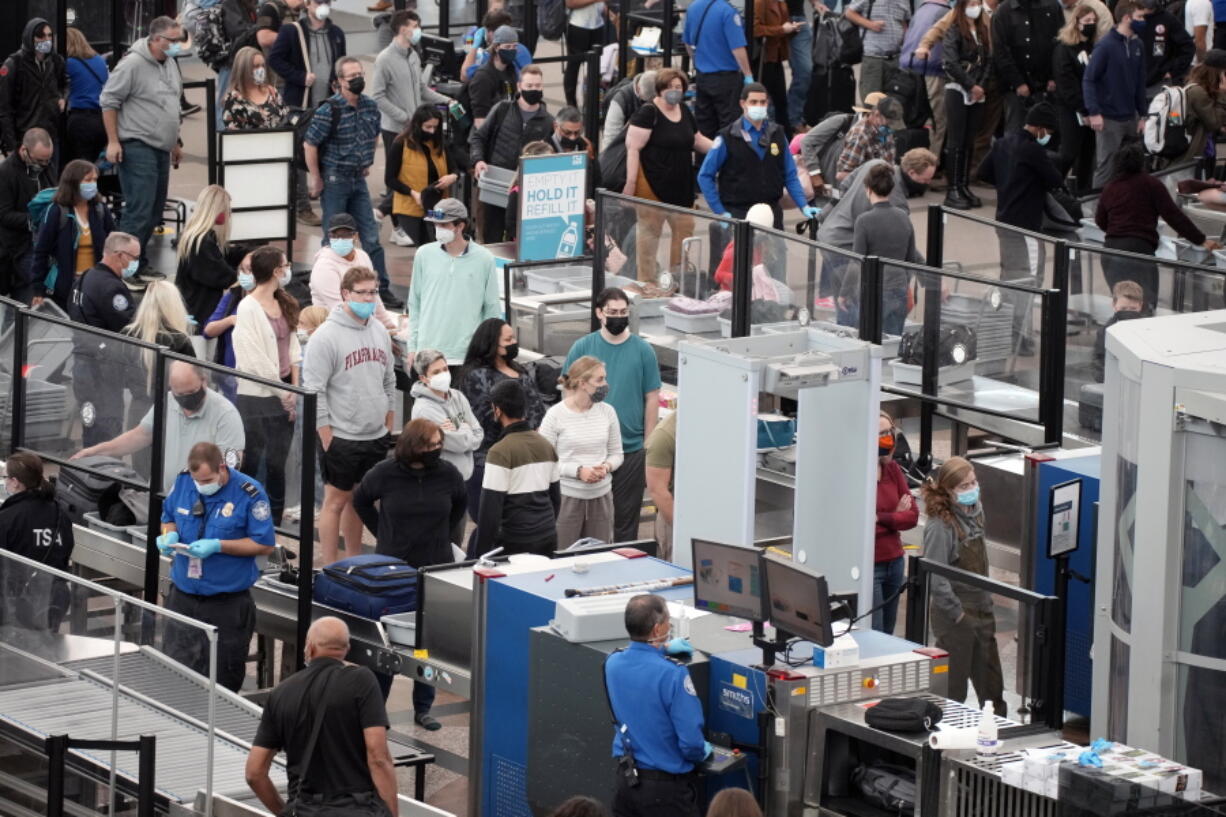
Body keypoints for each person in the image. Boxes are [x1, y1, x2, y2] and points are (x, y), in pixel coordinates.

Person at [353, 419, 465, 730]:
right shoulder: (385, 473)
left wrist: (444, 538)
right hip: (393, 570)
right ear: (412, 445)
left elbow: (459, 506)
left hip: (433, 568)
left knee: (424, 642)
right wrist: (381, 533)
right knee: (386, 639)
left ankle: (423, 707)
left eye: (438, 444)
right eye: (429, 445)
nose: (435, 450)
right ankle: (376, 710)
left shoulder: (448, 474)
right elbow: (360, 500)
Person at [246, 616, 400, 817]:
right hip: (358, 809)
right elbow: (378, 757)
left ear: (309, 648)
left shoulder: (281, 693)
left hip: (305, 809)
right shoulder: (362, 681)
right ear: (346, 649)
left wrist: (284, 811)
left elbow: (254, 773)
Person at [156, 442, 275, 692]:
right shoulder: (185, 481)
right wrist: (169, 536)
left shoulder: (248, 493)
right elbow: (168, 517)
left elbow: (263, 544)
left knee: (222, 681)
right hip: (183, 597)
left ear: (222, 467)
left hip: (227, 604)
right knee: (174, 677)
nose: (202, 485)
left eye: (208, 479)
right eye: (198, 481)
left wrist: (220, 546)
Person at [301, 266, 397, 564]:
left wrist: (389, 416)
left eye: (373, 292)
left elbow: (389, 378)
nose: (369, 298)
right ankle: (329, 565)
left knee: (360, 500)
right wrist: (325, 434)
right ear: (345, 294)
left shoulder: (379, 329)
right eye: (362, 292)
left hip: (375, 433)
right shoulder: (326, 337)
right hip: (341, 435)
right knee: (335, 502)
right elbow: (314, 389)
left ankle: (353, 561)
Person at [563, 288, 661, 544]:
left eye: (623, 312)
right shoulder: (583, 348)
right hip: (591, 451)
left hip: (630, 450)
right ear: (599, 313)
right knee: (587, 523)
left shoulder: (643, 351)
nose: (619, 317)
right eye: (612, 312)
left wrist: (647, 444)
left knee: (626, 523)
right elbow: (568, 394)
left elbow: (652, 398)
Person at [305, 56, 401, 309]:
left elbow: (373, 133)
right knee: (334, 237)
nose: (358, 79)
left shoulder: (370, 106)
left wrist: (366, 159)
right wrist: (316, 177)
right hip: (335, 177)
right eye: (351, 77)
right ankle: (327, 289)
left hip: (358, 178)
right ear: (339, 82)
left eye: (360, 74)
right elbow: (310, 143)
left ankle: (381, 288)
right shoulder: (329, 109)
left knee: (371, 235)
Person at [604, 593, 709, 817]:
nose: (669, 624)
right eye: (667, 621)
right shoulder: (673, 674)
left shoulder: (612, 663)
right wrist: (701, 753)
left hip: (626, 783)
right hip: (666, 793)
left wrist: (663, 648)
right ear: (657, 630)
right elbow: (691, 742)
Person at [74, 361, 246, 493]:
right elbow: (140, 436)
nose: (185, 399)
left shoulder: (226, 415)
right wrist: (94, 452)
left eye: (191, 392)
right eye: (180, 394)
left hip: (201, 504)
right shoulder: (168, 401)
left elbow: (229, 468)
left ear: (204, 381)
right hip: (163, 499)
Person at [920, 456, 1006, 715]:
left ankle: (995, 736)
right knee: (953, 690)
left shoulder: (977, 512)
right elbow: (936, 578)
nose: (972, 490)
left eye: (974, 483)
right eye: (964, 487)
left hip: (983, 610)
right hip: (955, 616)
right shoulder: (940, 527)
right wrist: (958, 614)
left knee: (992, 687)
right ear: (947, 490)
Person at [100, 16, 185, 277]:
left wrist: (175, 141)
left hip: (161, 147)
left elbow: (171, 105)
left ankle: (138, 260)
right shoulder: (133, 65)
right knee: (139, 209)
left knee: (155, 209)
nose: (177, 46)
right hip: (138, 144)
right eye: (173, 41)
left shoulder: (170, 63)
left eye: (179, 40)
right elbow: (108, 101)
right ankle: (121, 267)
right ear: (156, 39)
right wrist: (113, 141)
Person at [978, 103, 1064, 352]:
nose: (1048, 137)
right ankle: (1019, 335)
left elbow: (984, 172)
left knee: (1010, 275)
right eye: (1047, 131)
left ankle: (1005, 328)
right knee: (1028, 279)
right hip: (1026, 226)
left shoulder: (1002, 143)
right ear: (1038, 128)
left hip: (1003, 220)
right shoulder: (1033, 151)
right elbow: (1055, 180)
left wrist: (1008, 182)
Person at [1095, 140, 1219, 306]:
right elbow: (1174, 216)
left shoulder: (1110, 188)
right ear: (1141, 162)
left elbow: (1100, 220)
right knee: (1144, 306)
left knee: (1122, 306)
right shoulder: (1151, 184)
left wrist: (1118, 231)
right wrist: (1201, 239)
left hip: (1111, 251)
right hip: (1139, 252)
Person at [624, 69, 714, 283]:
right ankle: (647, 282)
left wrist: (722, 148)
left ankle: (678, 279)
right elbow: (633, 148)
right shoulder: (648, 113)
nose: (675, 91)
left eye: (679, 87)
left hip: (682, 187)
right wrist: (630, 184)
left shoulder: (683, 109)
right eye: (670, 87)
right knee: (649, 236)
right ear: (659, 89)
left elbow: (697, 139)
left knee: (685, 233)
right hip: (653, 186)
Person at [233, 245, 301, 526]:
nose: (288, 270)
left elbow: (294, 346)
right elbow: (253, 362)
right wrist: (283, 392)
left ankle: (273, 526)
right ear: (276, 271)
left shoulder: (285, 301)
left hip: (285, 393)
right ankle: (244, 519)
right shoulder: (247, 307)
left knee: (277, 466)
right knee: (251, 463)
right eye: (285, 265)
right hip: (257, 398)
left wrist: (294, 389)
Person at [370, 9, 452, 238]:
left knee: (413, 175)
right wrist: (405, 117)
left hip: (414, 128)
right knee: (398, 177)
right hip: (395, 129)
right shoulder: (385, 59)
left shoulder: (414, 55)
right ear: (401, 29)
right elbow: (378, 96)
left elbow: (421, 89)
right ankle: (393, 222)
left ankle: (391, 219)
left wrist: (447, 100)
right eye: (413, 26)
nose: (417, 31)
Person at [459, 318, 548, 526]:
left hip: (526, 457)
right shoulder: (477, 376)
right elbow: (482, 420)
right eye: (508, 339)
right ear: (492, 344)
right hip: (491, 459)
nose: (513, 342)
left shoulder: (521, 371)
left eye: (514, 337)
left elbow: (537, 407)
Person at [698, 83, 820, 227]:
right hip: (738, 213)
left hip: (772, 210)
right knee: (743, 250)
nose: (759, 106)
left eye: (762, 102)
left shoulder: (777, 134)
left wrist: (803, 205)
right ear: (743, 104)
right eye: (753, 102)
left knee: (776, 250)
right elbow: (705, 176)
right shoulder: (727, 137)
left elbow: (790, 174)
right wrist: (719, 211)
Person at [268, 0, 345, 227]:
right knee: (301, 154)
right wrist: (299, 77)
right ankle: (302, 205)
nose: (323, 6)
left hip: (327, 103)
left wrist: (336, 81)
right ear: (308, 5)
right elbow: (275, 59)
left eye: (326, 2)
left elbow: (341, 63)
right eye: (318, 2)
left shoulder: (336, 32)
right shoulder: (293, 31)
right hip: (301, 104)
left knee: (326, 151)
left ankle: (327, 199)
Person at [539, 356, 623, 547]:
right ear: (583, 383)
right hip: (566, 498)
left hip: (601, 497)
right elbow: (545, 461)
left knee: (599, 556)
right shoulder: (555, 415)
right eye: (600, 380)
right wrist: (577, 471)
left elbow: (617, 454)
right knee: (562, 553)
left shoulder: (608, 412)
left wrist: (606, 466)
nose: (605, 384)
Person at [407, 198, 501, 363]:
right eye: (436, 225)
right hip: (428, 353)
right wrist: (412, 348)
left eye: (444, 225)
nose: (438, 229)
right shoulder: (423, 254)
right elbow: (415, 304)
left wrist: (488, 351)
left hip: (466, 356)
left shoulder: (484, 258)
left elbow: (491, 309)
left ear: (460, 226)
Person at [474, 379, 561, 555]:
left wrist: (479, 556)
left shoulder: (499, 452)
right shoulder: (546, 445)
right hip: (547, 535)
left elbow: (490, 512)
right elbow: (555, 499)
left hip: (514, 541)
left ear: (497, 410)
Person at [68, 231, 139, 445]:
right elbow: (128, 328)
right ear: (120, 255)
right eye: (134, 258)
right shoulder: (111, 287)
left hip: (82, 366)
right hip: (103, 371)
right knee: (107, 432)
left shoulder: (84, 278)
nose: (136, 263)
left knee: (90, 425)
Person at [470, 64, 554, 243]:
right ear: (519, 86)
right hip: (495, 182)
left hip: (524, 191)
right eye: (529, 86)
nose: (534, 90)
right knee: (490, 236)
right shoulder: (502, 110)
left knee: (518, 240)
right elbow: (479, 138)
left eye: (537, 86)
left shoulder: (548, 121)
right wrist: (478, 160)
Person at [119, 281, 196, 475]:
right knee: (170, 476)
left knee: (143, 475)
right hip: (172, 412)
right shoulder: (179, 340)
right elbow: (193, 381)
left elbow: (116, 374)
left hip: (138, 410)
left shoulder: (126, 335)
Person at [409, 348, 483, 545]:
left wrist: (461, 432)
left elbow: (478, 435)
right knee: (441, 541)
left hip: (462, 480)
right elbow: (457, 443)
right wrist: (465, 431)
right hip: (439, 484)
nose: (443, 375)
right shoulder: (424, 409)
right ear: (424, 378)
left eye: (445, 369)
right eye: (436, 372)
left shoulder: (457, 396)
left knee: (457, 540)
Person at [840, 163, 925, 334]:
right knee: (893, 340)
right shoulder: (903, 218)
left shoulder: (864, 221)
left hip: (873, 290)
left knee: (869, 338)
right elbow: (910, 258)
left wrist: (845, 292)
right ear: (891, 189)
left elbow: (857, 262)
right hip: (899, 287)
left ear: (868, 189)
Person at [0, 451, 74, 631]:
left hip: (16, 605)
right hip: (53, 598)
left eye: (5, 477)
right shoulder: (59, 513)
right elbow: (66, 550)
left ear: (16, 482)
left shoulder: (8, 518)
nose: (4, 482)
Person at [28, 158, 115, 310]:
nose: (93, 184)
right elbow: (41, 251)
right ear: (73, 182)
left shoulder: (100, 209)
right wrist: (37, 289)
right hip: (66, 288)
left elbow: (114, 241)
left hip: (94, 285)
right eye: (88, 180)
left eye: (95, 179)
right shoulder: (56, 211)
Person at [1083, 1, 1151, 188]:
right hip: (1109, 117)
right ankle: (1096, 208)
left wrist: (1143, 114)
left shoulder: (1138, 45)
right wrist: (1094, 111)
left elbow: (1140, 82)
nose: (1143, 21)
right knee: (1107, 166)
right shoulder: (1105, 46)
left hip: (1131, 116)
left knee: (1134, 167)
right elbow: (1089, 79)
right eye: (1139, 17)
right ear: (1126, 18)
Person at [817, 149, 938, 249]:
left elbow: (843, 188)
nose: (928, 183)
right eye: (926, 179)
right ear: (911, 173)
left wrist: (822, 216)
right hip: (846, 246)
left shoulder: (874, 164)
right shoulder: (898, 203)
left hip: (828, 234)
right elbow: (900, 242)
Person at [941, 0, 992, 210]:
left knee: (970, 139)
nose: (976, 6)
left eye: (978, 3)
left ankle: (963, 185)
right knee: (956, 140)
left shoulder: (983, 31)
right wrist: (970, 84)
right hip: (958, 88)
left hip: (978, 90)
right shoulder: (954, 29)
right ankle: (952, 187)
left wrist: (981, 85)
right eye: (972, 2)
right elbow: (950, 62)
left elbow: (989, 60)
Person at [386, 105, 462, 248]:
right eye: (428, 127)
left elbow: (454, 168)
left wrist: (452, 176)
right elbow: (390, 179)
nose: (432, 131)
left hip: (437, 206)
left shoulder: (439, 144)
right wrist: (412, 193)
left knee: (439, 246)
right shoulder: (401, 144)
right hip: (410, 208)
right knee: (426, 246)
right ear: (417, 125)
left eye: (435, 127)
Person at [311, 214, 399, 331]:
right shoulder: (324, 266)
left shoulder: (363, 256)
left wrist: (387, 325)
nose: (340, 239)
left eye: (345, 235)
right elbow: (338, 308)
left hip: (363, 323)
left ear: (356, 236)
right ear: (329, 237)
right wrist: (373, 331)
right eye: (335, 235)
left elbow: (374, 295)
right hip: (332, 326)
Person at [872, 411, 917, 634]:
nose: (889, 438)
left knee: (887, 633)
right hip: (870, 566)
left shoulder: (893, 469)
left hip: (895, 562)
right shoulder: (858, 476)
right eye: (882, 433)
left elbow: (913, 516)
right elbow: (861, 527)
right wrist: (896, 516)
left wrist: (882, 518)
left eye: (890, 431)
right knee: (874, 630)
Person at [683, 0, 755, 138]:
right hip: (726, 78)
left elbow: (688, 43)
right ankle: (727, 158)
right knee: (729, 126)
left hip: (703, 76)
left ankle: (705, 158)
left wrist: (698, 62)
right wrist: (748, 75)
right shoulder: (728, 12)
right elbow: (737, 48)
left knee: (704, 125)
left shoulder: (693, 7)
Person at [0, 18, 67, 164]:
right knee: (27, 183)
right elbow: (5, 108)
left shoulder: (55, 60)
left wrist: (62, 98)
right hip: (25, 137)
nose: (47, 40)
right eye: (41, 36)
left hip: (51, 135)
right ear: (31, 38)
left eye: (49, 35)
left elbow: (65, 84)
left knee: (50, 182)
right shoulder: (14, 64)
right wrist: (11, 145)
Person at [0, 127, 54, 299]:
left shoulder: (46, 165)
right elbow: (3, 214)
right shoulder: (6, 173)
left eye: (47, 160)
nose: (44, 165)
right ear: (24, 150)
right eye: (40, 160)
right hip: (16, 248)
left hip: (41, 244)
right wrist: (36, 220)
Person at [992, 0, 1062, 131]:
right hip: (1016, 88)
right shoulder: (1004, 11)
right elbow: (1000, 51)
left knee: (1046, 134)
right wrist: (1018, 82)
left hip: (1046, 85)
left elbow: (1060, 42)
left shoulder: (1052, 6)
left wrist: (1054, 76)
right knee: (1016, 133)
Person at [1052, 5, 1101, 193]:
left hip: (1090, 108)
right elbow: (1066, 84)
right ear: (1077, 23)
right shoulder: (1064, 48)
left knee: (1087, 154)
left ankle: (1081, 192)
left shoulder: (1093, 47)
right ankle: (1052, 186)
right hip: (1070, 109)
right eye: (1087, 21)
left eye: (1093, 21)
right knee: (1068, 153)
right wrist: (1083, 108)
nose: (1091, 25)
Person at [176, 185, 238, 330]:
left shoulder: (199, 237)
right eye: (227, 208)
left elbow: (224, 254)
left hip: (194, 306)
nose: (229, 214)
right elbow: (220, 274)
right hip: (197, 312)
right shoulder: (201, 242)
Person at [901, 0, 956, 161]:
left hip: (910, 68)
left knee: (914, 117)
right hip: (933, 70)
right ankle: (931, 162)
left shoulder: (921, 10)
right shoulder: (945, 12)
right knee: (939, 120)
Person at [845, 0, 912, 103]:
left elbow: (904, 22)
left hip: (896, 59)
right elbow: (849, 13)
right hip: (873, 58)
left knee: (894, 103)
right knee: (871, 103)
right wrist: (870, 24)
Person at [835, 92, 906, 182]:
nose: (891, 127)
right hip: (865, 189)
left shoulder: (885, 129)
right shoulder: (860, 136)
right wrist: (874, 181)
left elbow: (890, 162)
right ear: (876, 115)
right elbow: (842, 175)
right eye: (889, 122)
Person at [64, 27, 109, 167]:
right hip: (101, 120)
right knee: (92, 166)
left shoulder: (69, 63)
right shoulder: (99, 61)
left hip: (80, 121)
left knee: (80, 168)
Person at [754, 0, 799, 135]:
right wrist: (782, 29)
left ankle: (784, 138)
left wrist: (791, 28)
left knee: (780, 102)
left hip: (775, 57)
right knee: (763, 101)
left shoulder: (780, 2)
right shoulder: (760, 2)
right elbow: (755, 29)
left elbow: (783, 26)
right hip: (764, 58)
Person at [468, 26, 525, 127]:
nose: (512, 50)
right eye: (508, 47)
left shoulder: (510, 69)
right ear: (496, 47)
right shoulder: (483, 77)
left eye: (515, 46)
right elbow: (480, 121)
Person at [1092, 279, 1148, 380]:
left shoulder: (1147, 329)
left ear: (1140, 306)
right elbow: (1099, 363)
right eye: (1123, 309)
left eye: (1133, 309)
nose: (1128, 313)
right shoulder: (1105, 332)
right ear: (1114, 305)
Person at [222, 45, 289, 129]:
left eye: (263, 66)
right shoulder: (233, 100)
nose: (261, 70)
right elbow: (233, 135)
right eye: (256, 66)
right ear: (243, 69)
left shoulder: (272, 91)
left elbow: (286, 118)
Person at [1136, 0, 1195, 92]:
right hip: (1134, 83)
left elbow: (1188, 47)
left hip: (1159, 83)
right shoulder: (1131, 18)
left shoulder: (1168, 19)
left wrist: (1173, 71)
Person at [460, 10, 534, 83]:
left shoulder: (490, 54)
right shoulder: (523, 49)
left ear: (491, 33)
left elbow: (465, 77)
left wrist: (474, 46)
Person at [644, 410, 678, 562]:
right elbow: (658, 491)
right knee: (680, 572)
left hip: (706, 514)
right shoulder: (664, 435)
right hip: (674, 517)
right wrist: (682, 529)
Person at [1181, 54, 1226, 162]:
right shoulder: (1198, 92)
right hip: (1193, 154)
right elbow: (1214, 123)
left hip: (1203, 149)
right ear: (1217, 73)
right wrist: (1223, 94)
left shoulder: (1200, 88)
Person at [564, 0, 607, 107]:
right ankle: (571, 103)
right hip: (578, 26)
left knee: (597, 68)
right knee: (574, 66)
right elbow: (570, 3)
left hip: (598, 25)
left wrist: (610, 14)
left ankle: (592, 103)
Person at [602, 71, 656, 151]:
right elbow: (611, 138)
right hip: (626, 148)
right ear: (638, 88)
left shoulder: (662, 93)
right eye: (645, 100)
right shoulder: (620, 99)